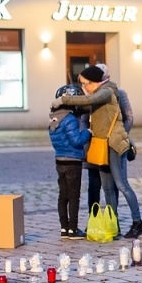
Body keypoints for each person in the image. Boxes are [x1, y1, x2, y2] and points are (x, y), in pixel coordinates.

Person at [53, 66, 142, 239]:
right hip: (101, 145)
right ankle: (113, 224)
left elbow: (87, 100)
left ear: (93, 82)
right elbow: (84, 109)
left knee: (121, 185)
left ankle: (137, 222)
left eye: (84, 84)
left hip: (114, 145)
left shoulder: (107, 91)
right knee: (107, 188)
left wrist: (63, 101)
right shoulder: (97, 95)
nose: (83, 88)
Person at [49, 83, 91, 239]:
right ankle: (73, 229)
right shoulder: (70, 118)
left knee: (63, 196)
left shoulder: (54, 119)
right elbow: (77, 140)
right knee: (74, 196)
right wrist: (87, 132)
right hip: (73, 161)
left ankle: (64, 228)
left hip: (59, 160)